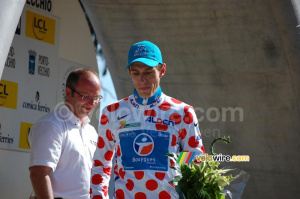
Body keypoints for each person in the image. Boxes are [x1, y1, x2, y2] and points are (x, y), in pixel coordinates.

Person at [90, 41, 205, 199]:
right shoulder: (111, 113)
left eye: (149, 72)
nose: (142, 80)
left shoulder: (183, 112)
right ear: (129, 72)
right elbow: (101, 164)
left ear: (162, 70)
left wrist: (175, 158)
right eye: (136, 73)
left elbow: (196, 163)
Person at [29, 68, 102, 199]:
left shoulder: (91, 131)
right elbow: (39, 173)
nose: (92, 103)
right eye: (86, 96)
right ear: (68, 92)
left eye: (96, 98)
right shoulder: (51, 125)